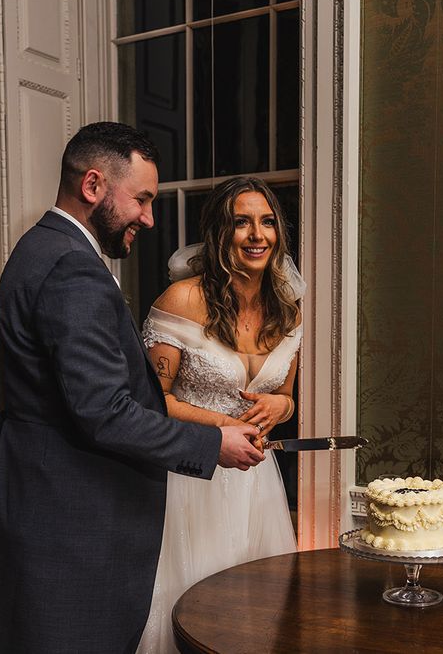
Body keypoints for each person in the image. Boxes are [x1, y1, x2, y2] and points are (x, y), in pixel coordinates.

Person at [0, 123, 265, 654]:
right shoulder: (72, 268)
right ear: (93, 186)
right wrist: (212, 445)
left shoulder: (40, 246)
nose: (149, 218)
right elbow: (105, 411)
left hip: (34, 492)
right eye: (141, 200)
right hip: (71, 520)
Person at [137, 176, 302, 653]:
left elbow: (286, 399)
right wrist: (223, 423)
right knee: (192, 609)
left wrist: (280, 405)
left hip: (256, 483)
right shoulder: (182, 301)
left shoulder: (287, 310)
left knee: (257, 613)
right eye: (242, 223)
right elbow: (153, 402)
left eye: (267, 222)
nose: (257, 235)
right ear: (219, 233)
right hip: (192, 478)